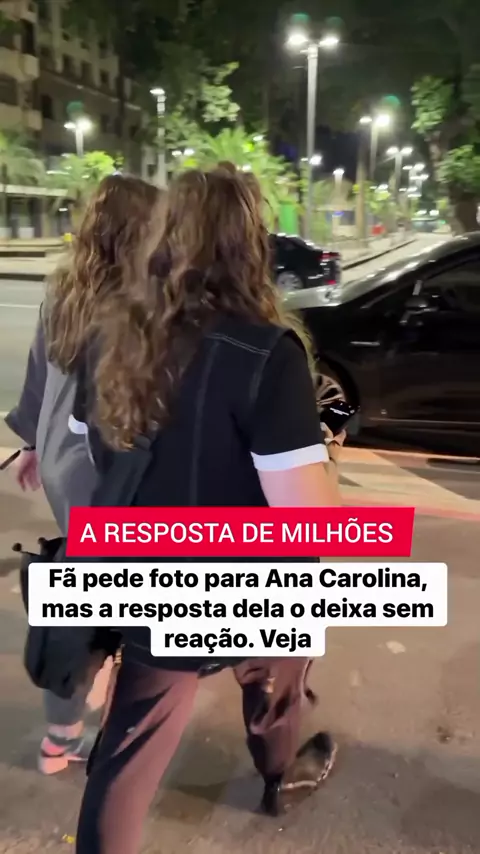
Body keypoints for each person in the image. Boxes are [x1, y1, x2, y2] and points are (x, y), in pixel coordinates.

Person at [45, 168, 345, 854]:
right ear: (249, 245)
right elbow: (309, 516)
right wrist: (323, 453)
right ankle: (278, 772)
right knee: (278, 667)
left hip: (142, 568)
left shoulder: (109, 337)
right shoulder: (266, 353)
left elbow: (95, 452)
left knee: (130, 749)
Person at [6, 174, 164, 774]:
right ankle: (110, 718)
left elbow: (39, 376)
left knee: (76, 590)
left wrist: (30, 443)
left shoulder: (65, 287)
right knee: (117, 599)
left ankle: (58, 737)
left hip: (61, 466)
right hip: (109, 474)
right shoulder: (143, 301)